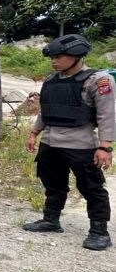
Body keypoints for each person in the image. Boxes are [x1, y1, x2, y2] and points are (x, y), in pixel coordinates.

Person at [23, 34, 113, 250]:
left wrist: (105, 146)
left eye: (60, 56)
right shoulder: (52, 79)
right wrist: (35, 133)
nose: (54, 61)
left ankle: (99, 231)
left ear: (77, 56)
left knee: (91, 187)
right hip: (51, 142)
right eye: (52, 57)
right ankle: (51, 220)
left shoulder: (98, 80)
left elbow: (107, 114)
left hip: (81, 144)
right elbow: (46, 110)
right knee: (52, 183)